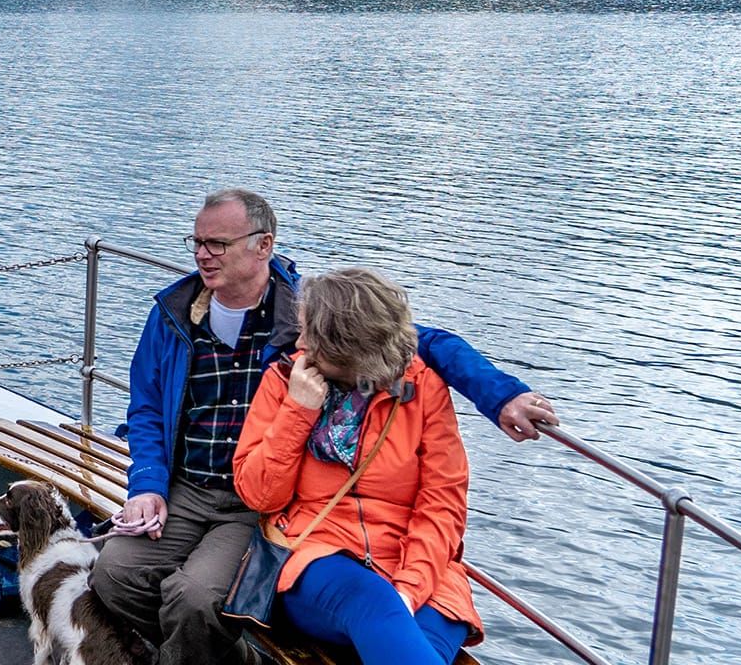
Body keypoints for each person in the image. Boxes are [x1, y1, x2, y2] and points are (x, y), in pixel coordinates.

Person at [93, 189, 557, 665]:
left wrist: (500, 395)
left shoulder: (302, 314)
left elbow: (421, 343)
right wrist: (147, 483)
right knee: (113, 574)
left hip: (254, 506)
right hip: (187, 485)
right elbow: (146, 406)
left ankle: (198, 651)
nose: (201, 254)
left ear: (263, 245)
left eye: (217, 244)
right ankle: (222, 656)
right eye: (196, 241)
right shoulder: (173, 314)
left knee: (194, 597)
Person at [233, 268, 480, 664]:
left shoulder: (423, 389)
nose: (299, 343)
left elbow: (442, 504)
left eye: (310, 336)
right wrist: (298, 409)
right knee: (372, 603)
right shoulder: (284, 379)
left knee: (418, 641)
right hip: (318, 554)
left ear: (346, 349)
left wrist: (409, 586)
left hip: (424, 568)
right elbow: (258, 493)